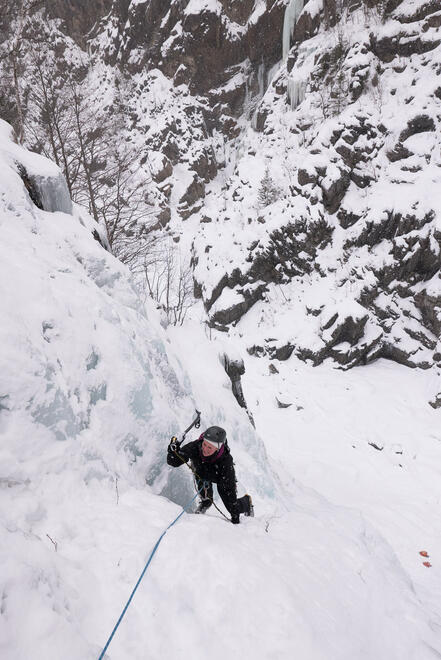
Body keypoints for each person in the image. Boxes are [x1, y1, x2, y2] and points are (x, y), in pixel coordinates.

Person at [167, 425, 253, 524]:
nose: (205, 449)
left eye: (210, 447)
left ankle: (247, 502)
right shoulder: (196, 446)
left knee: (232, 506)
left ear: (217, 448)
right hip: (202, 472)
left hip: (221, 476)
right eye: (204, 444)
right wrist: (172, 451)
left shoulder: (226, 461)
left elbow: (229, 489)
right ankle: (206, 502)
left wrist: (235, 518)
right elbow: (174, 462)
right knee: (205, 494)